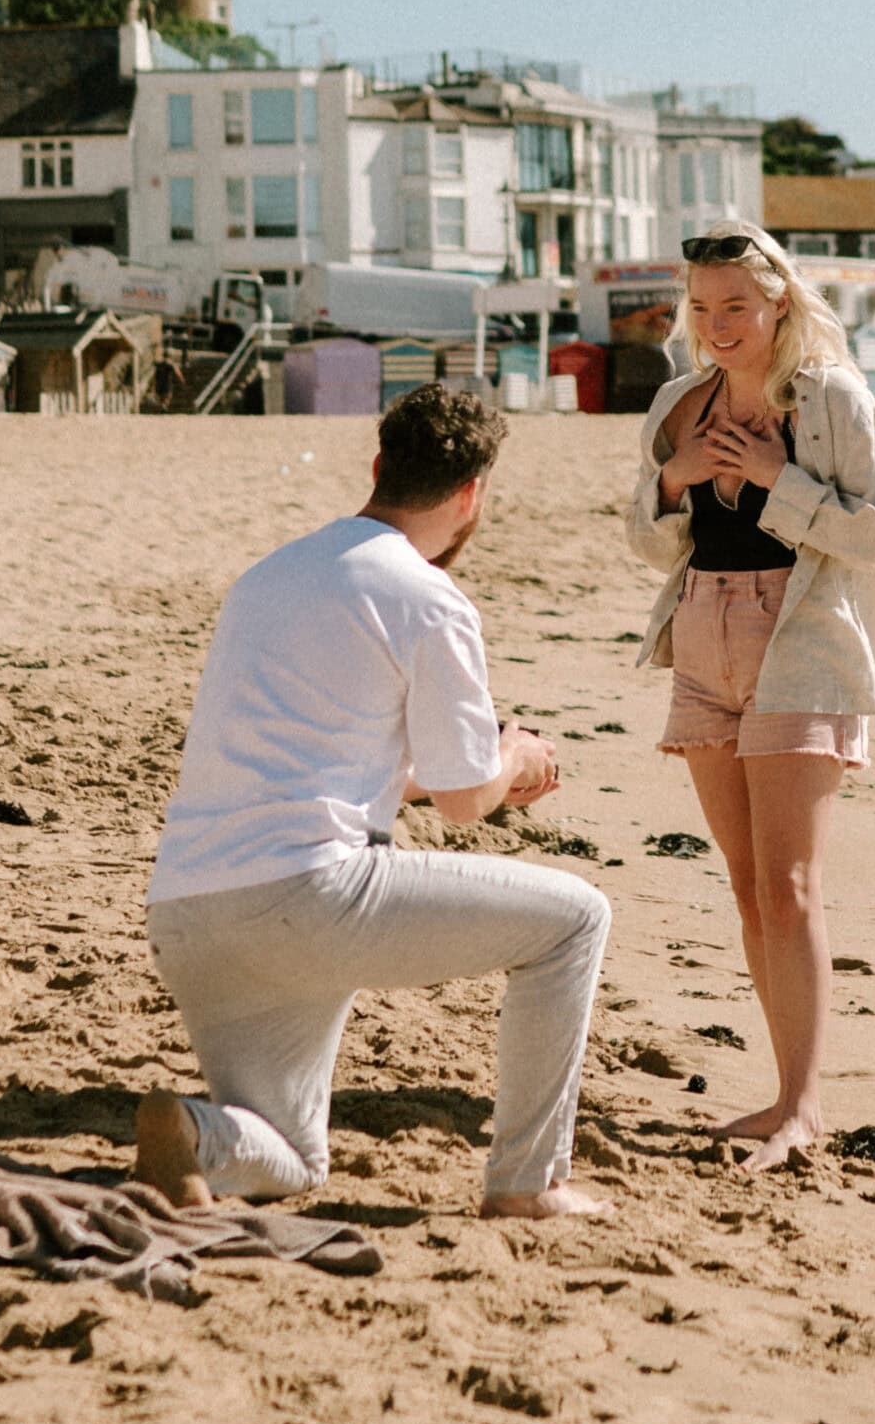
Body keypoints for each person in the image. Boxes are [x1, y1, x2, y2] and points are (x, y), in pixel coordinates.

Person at [135, 383, 612, 1221]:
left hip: (190, 908)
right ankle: (529, 1184)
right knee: (576, 919)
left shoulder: (268, 576)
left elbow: (357, 770)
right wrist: (518, 755)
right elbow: (468, 800)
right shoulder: (428, 597)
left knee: (292, 1157)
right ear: (472, 494)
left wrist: (480, 763)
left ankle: (193, 1133)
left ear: (379, 465)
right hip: (309, 896)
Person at [628, 224, 875, 1171]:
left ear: (778, 302)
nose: (717, 326)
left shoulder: (829, 398)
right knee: (751, 890)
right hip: (703, 636)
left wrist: (773, 482)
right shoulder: (679, 402)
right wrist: (676, 480)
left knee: (790, 889)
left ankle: (802, 1106)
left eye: (735, 308)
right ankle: (781, 1094)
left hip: (799, 638)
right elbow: (650, 537)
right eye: (702, 309)